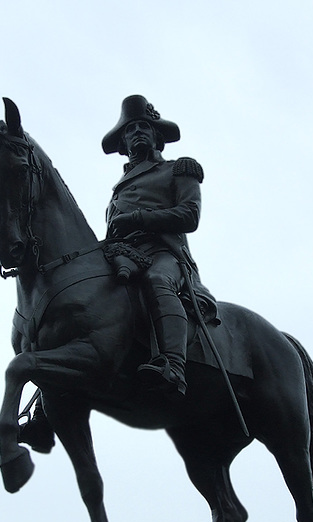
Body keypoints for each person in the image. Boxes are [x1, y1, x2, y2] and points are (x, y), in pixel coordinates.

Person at [102, 95, 210, 396]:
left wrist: (136, 218)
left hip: (164, 254)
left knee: (157, 280)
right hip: (124, 255)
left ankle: (173, 367)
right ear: (123, 142)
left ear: (156, 135)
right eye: (130, 129)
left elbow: (190, 216)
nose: (137, 132)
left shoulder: (179, 169)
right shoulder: (118, 189)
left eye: (143, 127)